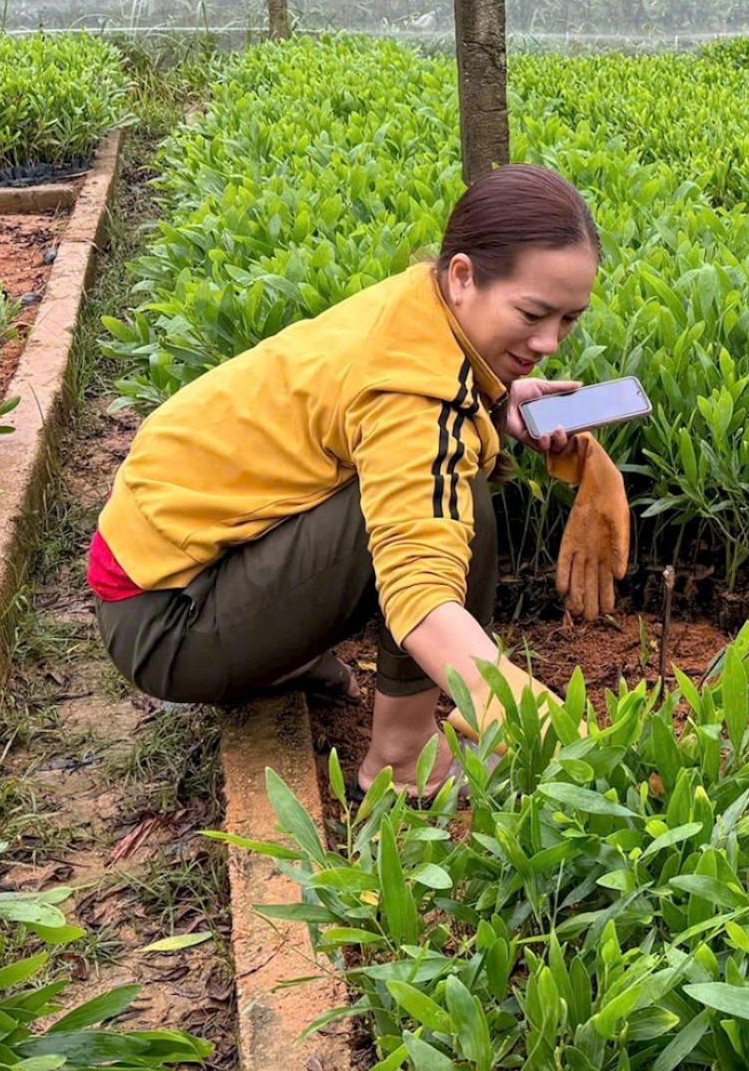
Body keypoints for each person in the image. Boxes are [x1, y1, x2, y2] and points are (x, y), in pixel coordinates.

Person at [88, 163, 631, 789]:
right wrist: (551, 730)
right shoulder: (412, 393)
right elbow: (421, 595)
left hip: (171, 573)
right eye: (533, 313)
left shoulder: (417, 310)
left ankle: (283, 661)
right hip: (166, 623)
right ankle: (402, 759)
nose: (550, 342)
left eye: (568, 320)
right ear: (461, 277)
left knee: (448, 464)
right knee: (456, 498)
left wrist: (495, 403)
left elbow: (391, 411)